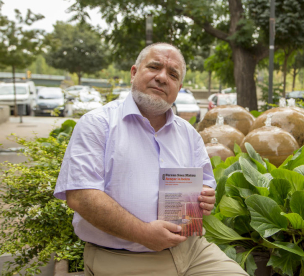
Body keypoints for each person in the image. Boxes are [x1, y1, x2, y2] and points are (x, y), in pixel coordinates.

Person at [54, 42, 248, 276]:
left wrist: (205, 195)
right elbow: (81, 197)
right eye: (154, 67)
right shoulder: (98, 124)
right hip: (123, 256)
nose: (162, 77)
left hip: (193, 251)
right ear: (134, 72)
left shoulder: (188, 133)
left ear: (179, 87)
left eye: (173, 74)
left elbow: (205, 181)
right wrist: (143, 233)